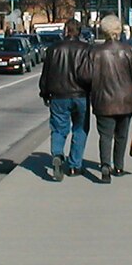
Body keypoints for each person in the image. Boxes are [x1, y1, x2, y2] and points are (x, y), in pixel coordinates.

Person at [90, 14, 132, 183]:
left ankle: (105, 164)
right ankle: (119, 165)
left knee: (105, 135)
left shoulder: (95, 52)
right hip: (125, 100)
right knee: (122, 135)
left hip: (103, 101)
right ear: (119, 29)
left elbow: (87, 77)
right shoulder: (128, 50)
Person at [38, 18, 92, 182]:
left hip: (58, 95)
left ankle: (58, 154)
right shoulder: (86, 49)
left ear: (65, 31)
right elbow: (91, 74)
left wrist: (45, 93)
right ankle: (75, 165)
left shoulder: (54, 49)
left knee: (59, 128)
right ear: (79, 32)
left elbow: (46, 74)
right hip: (81, 95)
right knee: (80, 129)